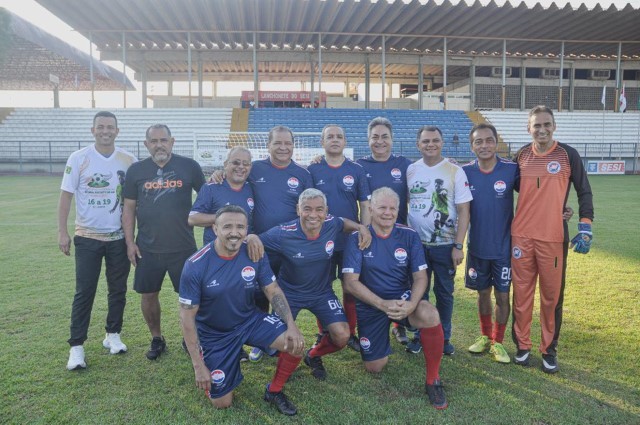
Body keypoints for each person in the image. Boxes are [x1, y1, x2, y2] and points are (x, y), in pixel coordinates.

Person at [246, 189, 371, 412]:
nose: (313, 214)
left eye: (319, 209)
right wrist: (252, 236)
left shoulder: (332, 224)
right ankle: (273, 389)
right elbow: (254, 242)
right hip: (288, 295)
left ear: (326, 212)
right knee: (290, 342)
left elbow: (344, 223)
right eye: (307, 209)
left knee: (342, 336)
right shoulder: (283, 233)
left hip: (322, 293)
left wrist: (361, 226)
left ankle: (313, 356)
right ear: (298, 210)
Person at [179, 205, 305, 415]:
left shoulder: (254, 252)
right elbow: (186, 318)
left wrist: (291, 325)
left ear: (247, 230)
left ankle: (274, 391)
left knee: (296, 344)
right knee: (222, 402)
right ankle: (218, 360)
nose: (234, 232)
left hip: (249, 321)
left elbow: (272, 290)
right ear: (215, 228)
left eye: (240, 227)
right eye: (227, 226)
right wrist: (198, 366)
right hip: (214, 333)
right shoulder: (195, 265)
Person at [343, 187, 448, 409]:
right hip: (371, 304)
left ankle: (433, 380)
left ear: (399, 209)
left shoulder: (408, 235)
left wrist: (410, 305)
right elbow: (350, 283)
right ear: (371, 209)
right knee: (375, 367)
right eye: (382, 207)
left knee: (429, 313)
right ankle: (385, 329)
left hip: (402, 300)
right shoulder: (357, 238)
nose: (388, 213)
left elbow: (420, 277)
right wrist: (381, 304)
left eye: (393, 208)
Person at [511, 105, 594, 373]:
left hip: (553, 238)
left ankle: (548, 350)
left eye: (547, 124)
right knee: (521, 295)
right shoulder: (521, 155)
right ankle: (522, 347)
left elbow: (584, 191)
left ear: (554, 126)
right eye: (537, 125)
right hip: (521, 238)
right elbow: (506, 186)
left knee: (551, 297)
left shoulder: (568, 155)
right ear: (529, 128)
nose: (542, 129)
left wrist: (585, 225)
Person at [58, 111, 137, 371]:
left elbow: (135, 202)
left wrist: (133, 239)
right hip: (87, 237)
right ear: (93, 130)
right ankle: (77, 347)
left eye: (110, 127)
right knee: (84, 292)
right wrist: (62, 231)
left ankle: (112, 335)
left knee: (118, 290)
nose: (106, 131)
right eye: (101, 127)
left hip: (118, 239)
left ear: (117, 130)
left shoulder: (128, 160)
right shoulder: (79, 158)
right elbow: (66, 196)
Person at [122, 124, 205, 360]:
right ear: (146, 144)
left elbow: (208, 196)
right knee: (148, 295)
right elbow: (128, 208)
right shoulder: (136, 170)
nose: (159, 144)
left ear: (172, 141)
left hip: (183, 247)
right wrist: (130, 242)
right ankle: (157, 338)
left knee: (191, 297)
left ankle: (190, 338)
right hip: (147, 248)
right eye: (154, 140)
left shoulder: (189, 167)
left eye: (164, 140)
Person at [406, 125, 472, 356]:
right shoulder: (411, 170)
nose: (430, 144)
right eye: (425, 141)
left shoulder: (455, 171)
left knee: (444, 293)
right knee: (418, 293)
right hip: (416, 246)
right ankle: (419, 336)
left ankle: (444, 337)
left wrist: (458, 245)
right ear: (418, 145)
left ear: (442, 143)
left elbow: (464, 210)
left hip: (445, 246)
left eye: (435, 140)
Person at [308, 124, 371, 352]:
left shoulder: (356, 170)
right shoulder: (312, 170)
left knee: (350, 287)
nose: (335, 140)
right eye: (330, 137)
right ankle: (323, 331)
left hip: (349, 242)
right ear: (322, 142)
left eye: (339, 136)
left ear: (345, 142)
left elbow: (364, 204)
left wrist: (365, 231)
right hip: (319, 241)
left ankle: (351, 332)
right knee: (321, 288)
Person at [461, 123, 518, 363]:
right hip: (477, 247)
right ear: (472, 145)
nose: (484, 145)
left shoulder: (512, 170)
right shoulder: (465, 172)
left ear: (496, 143)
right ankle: (485, 336)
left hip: (504, 249)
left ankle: (499, 341)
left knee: (503, 296)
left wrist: (562, 208)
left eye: (488, 140)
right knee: (482, 294)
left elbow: (535, 195)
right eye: (478, 141)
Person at [356, 117, 413, 345]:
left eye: (384, 137)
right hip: (371, 237)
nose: (380, 141)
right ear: (368, 140)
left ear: (392, 140)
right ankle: (367, 325)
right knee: (370, 282)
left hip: (399, 236)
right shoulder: (359, 166)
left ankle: (399, 325)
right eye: (375, 137)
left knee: (401, 281)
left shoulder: (406, 165)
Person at [189, 146, 254, 246]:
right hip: (216, 254)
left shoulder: (252, 188)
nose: (241, 166)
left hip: (244, 253)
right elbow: (193, 218)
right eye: (236, 162)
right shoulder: (211, 187)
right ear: (225, 164)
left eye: (246, 164)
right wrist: (225, 218)